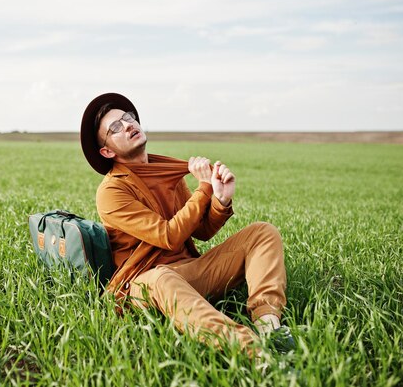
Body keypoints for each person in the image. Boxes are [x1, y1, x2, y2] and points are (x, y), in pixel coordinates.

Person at [80, 92, 295, 356]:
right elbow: (168, 235)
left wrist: (220, 200)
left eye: (128, 118)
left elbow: (201, 231)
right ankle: (252, 350)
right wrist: (203, 188)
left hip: (189, 271)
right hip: (144, 283)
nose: (127, 124)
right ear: (107, 150)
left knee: (262, 232)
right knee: (161, 277)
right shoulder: (112, 191)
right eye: (115, 128)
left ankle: (270, 329)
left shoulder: (165, 173)